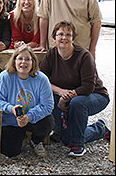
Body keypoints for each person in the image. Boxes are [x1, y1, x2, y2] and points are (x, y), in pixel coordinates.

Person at [39, 21, 110, 157]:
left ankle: (81, 142)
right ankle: (59, 131)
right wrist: (61, 93)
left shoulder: (84, 56)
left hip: (94, 95)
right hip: (67, 95)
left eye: (68, 35)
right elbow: (42, 80)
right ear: (54, 38)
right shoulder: (51, 55)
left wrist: (66, 98)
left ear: (73, 38)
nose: (64, 38)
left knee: (77, 103)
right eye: (60, 34)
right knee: (50, 96)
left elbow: (88, 86)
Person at [0, 45, 54, 158]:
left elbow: (47, 105)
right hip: (11, 120)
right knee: (10, 152)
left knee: (48, 122)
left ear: (33, 62)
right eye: (20, 58)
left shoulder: (42, 79)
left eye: (27, 59)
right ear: (14, 61)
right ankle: (20, 137)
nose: (23, 62)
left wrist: (29, 116)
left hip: (33, 120)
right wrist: (11, 108)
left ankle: (36, 141)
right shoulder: (5, 76)